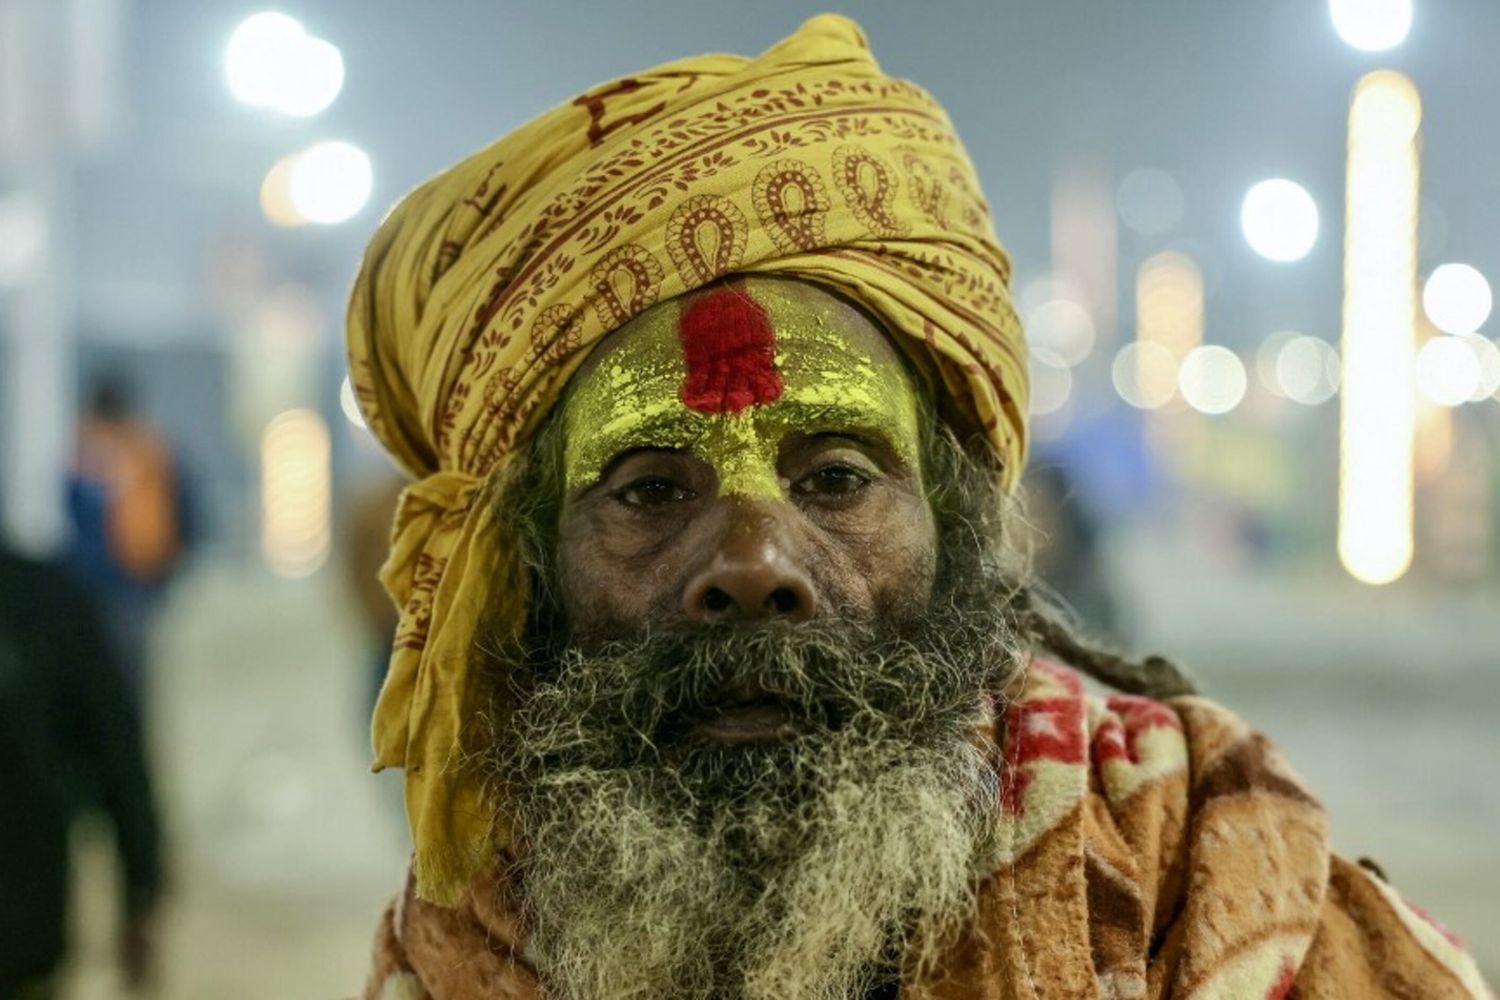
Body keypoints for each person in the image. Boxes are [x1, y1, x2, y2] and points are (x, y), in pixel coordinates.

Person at [345, 16, 1491, 999]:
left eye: (837, 478)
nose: (752, 562)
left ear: (957, 528)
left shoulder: (1209, 889)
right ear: (530, 565)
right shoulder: (459, 947)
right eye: (650, 490)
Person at [0, 541, 162, 998]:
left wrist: (140, 890)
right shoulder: (41, 596)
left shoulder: (38, 600)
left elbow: (115, 747)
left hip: (21, 940)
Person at [65, 375, 185, 701]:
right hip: (141, 578)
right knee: (130, 670)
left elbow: (74, 517)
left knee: (100, 670)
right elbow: (183, 513)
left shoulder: (86, 453)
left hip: (102, 582)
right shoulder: (152, 450)